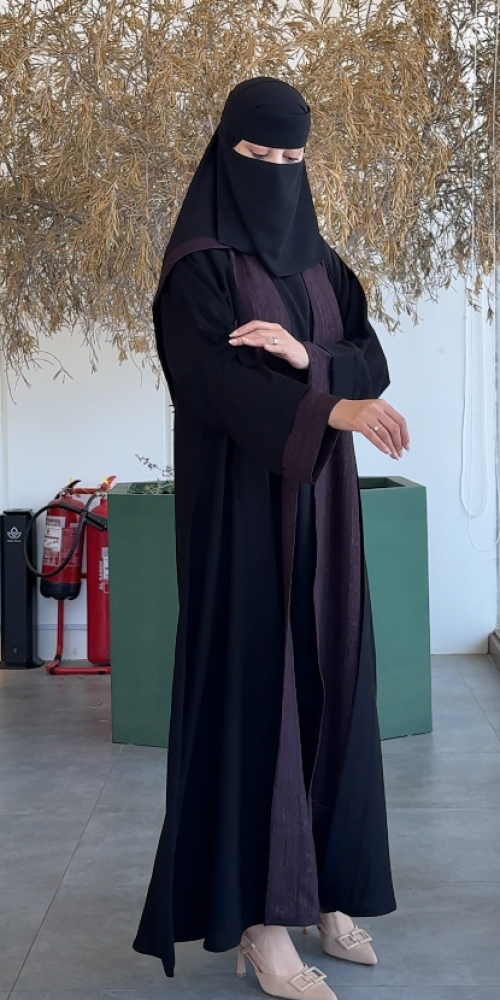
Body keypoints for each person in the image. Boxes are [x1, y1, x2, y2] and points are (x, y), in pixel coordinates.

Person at [132, 77, 409, 1000]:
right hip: (243, 522)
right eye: (262, 156)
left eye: (295, 158)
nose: (281, 172)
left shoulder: (321, 261)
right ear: (227, 154)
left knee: (334, 687)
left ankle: (327, 891)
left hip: (326, 516)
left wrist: (308, 359)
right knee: (261, 697)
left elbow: (371, 356)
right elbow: (216, 389)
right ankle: (260, 921)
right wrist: (331, 403)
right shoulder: (198, 268)